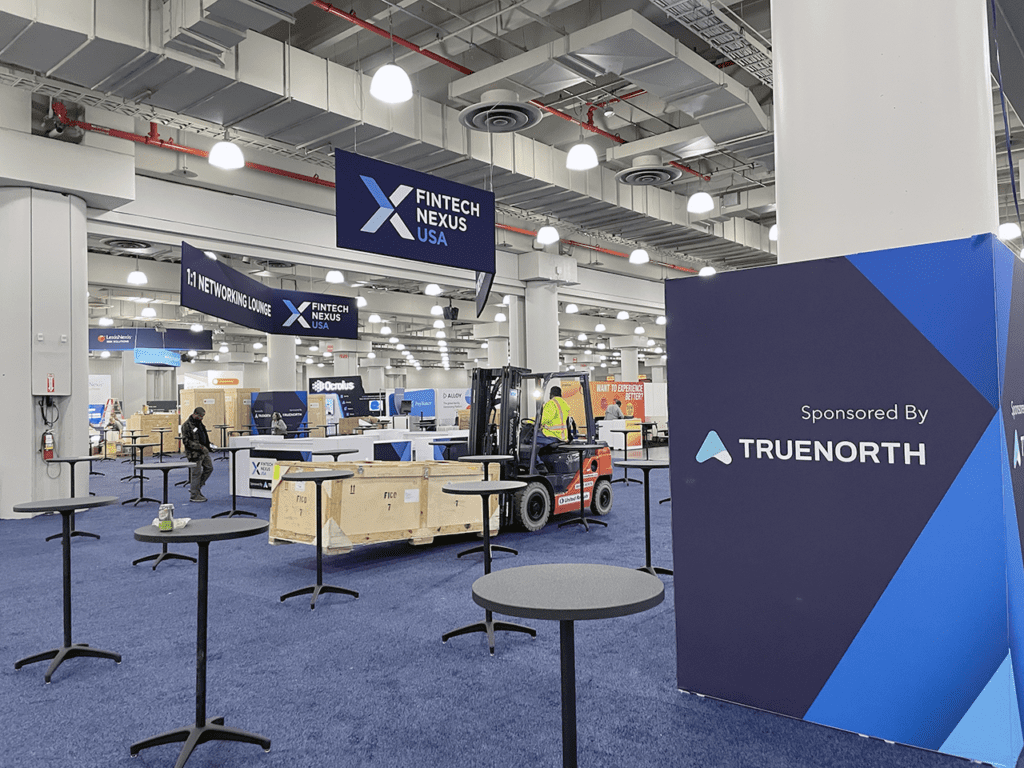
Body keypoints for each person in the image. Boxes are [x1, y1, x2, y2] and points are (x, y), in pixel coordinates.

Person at [181, 406, 213, 502]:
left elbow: (203, 436)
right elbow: (186, 441)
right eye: (200, 416)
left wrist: (209, 446)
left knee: (209, 468)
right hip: (194, 454)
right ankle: (194, 495)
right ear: (195, 414)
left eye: (203, 416)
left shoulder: (199, 423)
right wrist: (200, 447)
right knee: (196, 474)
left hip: (204, 451)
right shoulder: (186, 425)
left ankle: (195, 488)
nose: (202, 418)